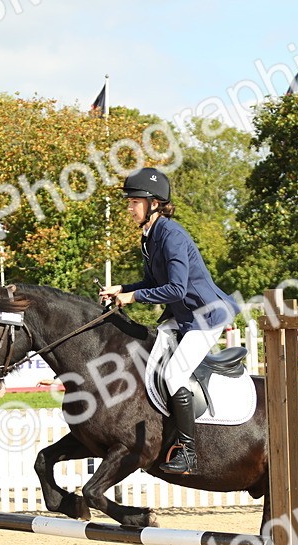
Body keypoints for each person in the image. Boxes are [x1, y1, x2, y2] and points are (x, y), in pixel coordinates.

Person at [99, 167, 241, 476]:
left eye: (135, 201)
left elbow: (175, 288)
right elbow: (152, 280)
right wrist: (122, 289)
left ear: (154, 203)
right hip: (182, 315)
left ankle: (188, 452)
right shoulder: (150, 236)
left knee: (174, 375)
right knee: (146, 352)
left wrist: (132, 299)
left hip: (206, 316)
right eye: (130, 201)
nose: (129, 206)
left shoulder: (172, 236)